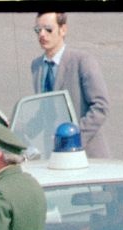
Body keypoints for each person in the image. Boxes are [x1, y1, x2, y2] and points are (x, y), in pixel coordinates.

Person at [31, 12, 111, 158]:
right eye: (38, 30)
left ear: (63, 30)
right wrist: (17, 127)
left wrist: (73, 139)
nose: (42, 34)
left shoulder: (82, 61)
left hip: (86, 154)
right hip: (54, 155)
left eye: (48, 29)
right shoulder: (37, 66)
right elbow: (44, 111)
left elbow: (100, 107)